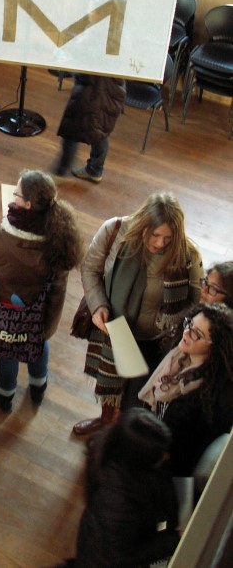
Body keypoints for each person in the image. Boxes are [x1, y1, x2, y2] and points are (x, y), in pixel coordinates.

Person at [73, 192, 203, 436]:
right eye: (154, 235)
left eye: (168, 237)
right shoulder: (115, 231)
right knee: (111, 382)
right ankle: (104, 421)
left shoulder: (189, 255)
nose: (159, 244)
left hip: (156, 340)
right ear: (142, 224)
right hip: (115, 331)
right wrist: (99, 305)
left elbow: (196, 301)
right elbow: (90, 268)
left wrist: (168, 321)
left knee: (136, 398)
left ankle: (120, 435)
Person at [0, 170, 82, 413]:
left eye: (16, 194)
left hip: (8, 310)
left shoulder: (3, 238)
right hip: (42, 313)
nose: (13, 197)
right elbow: (59, 286)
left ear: (27, 204)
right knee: (38, 345)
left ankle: (5, 394)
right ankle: (38, 385)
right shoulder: (60, 238)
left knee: (8, 353)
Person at [73, 409, 179, 568]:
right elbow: (121, 558)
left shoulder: (114, 454)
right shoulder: (117, 502)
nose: (166, 457)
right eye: (159, 454)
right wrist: (174, 538)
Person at [138, 302, 233, 476]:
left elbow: (181, 456)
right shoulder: (174, 356)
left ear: (213, 347)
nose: (187, 332)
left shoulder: (204, 398)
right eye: (190, 324)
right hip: (146, 448)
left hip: (163, 470)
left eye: (197, 334)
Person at [53, 73, 125, 183]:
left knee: (70, 131)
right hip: (113, 88)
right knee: (100, 131)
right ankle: (94, 170)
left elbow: (87, 70)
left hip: (94, 90)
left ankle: (60, 173)